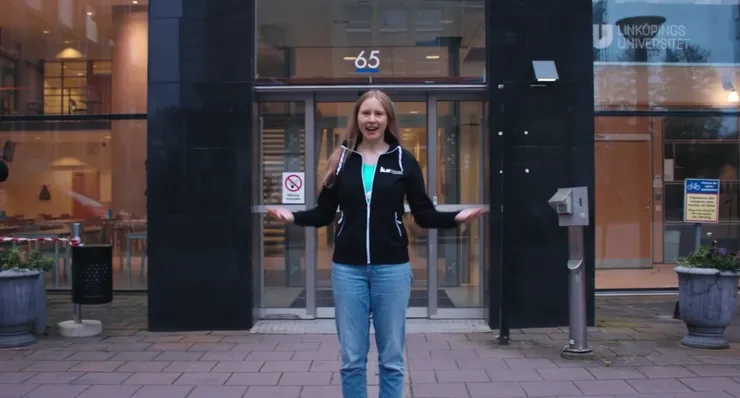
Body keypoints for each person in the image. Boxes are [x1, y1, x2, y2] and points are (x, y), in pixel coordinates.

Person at [267, 90, 484, 398]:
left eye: (378, 114)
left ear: (388, 120)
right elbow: (323, 213)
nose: (371, 119)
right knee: (352, 359)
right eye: (365, 113)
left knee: (392, 359)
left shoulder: (404, 161)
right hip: (348, 271)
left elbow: (423, 213)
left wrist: (455, 218)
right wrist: (293, 217)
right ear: (357, 118)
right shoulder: (340, 161)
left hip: (392, 270)